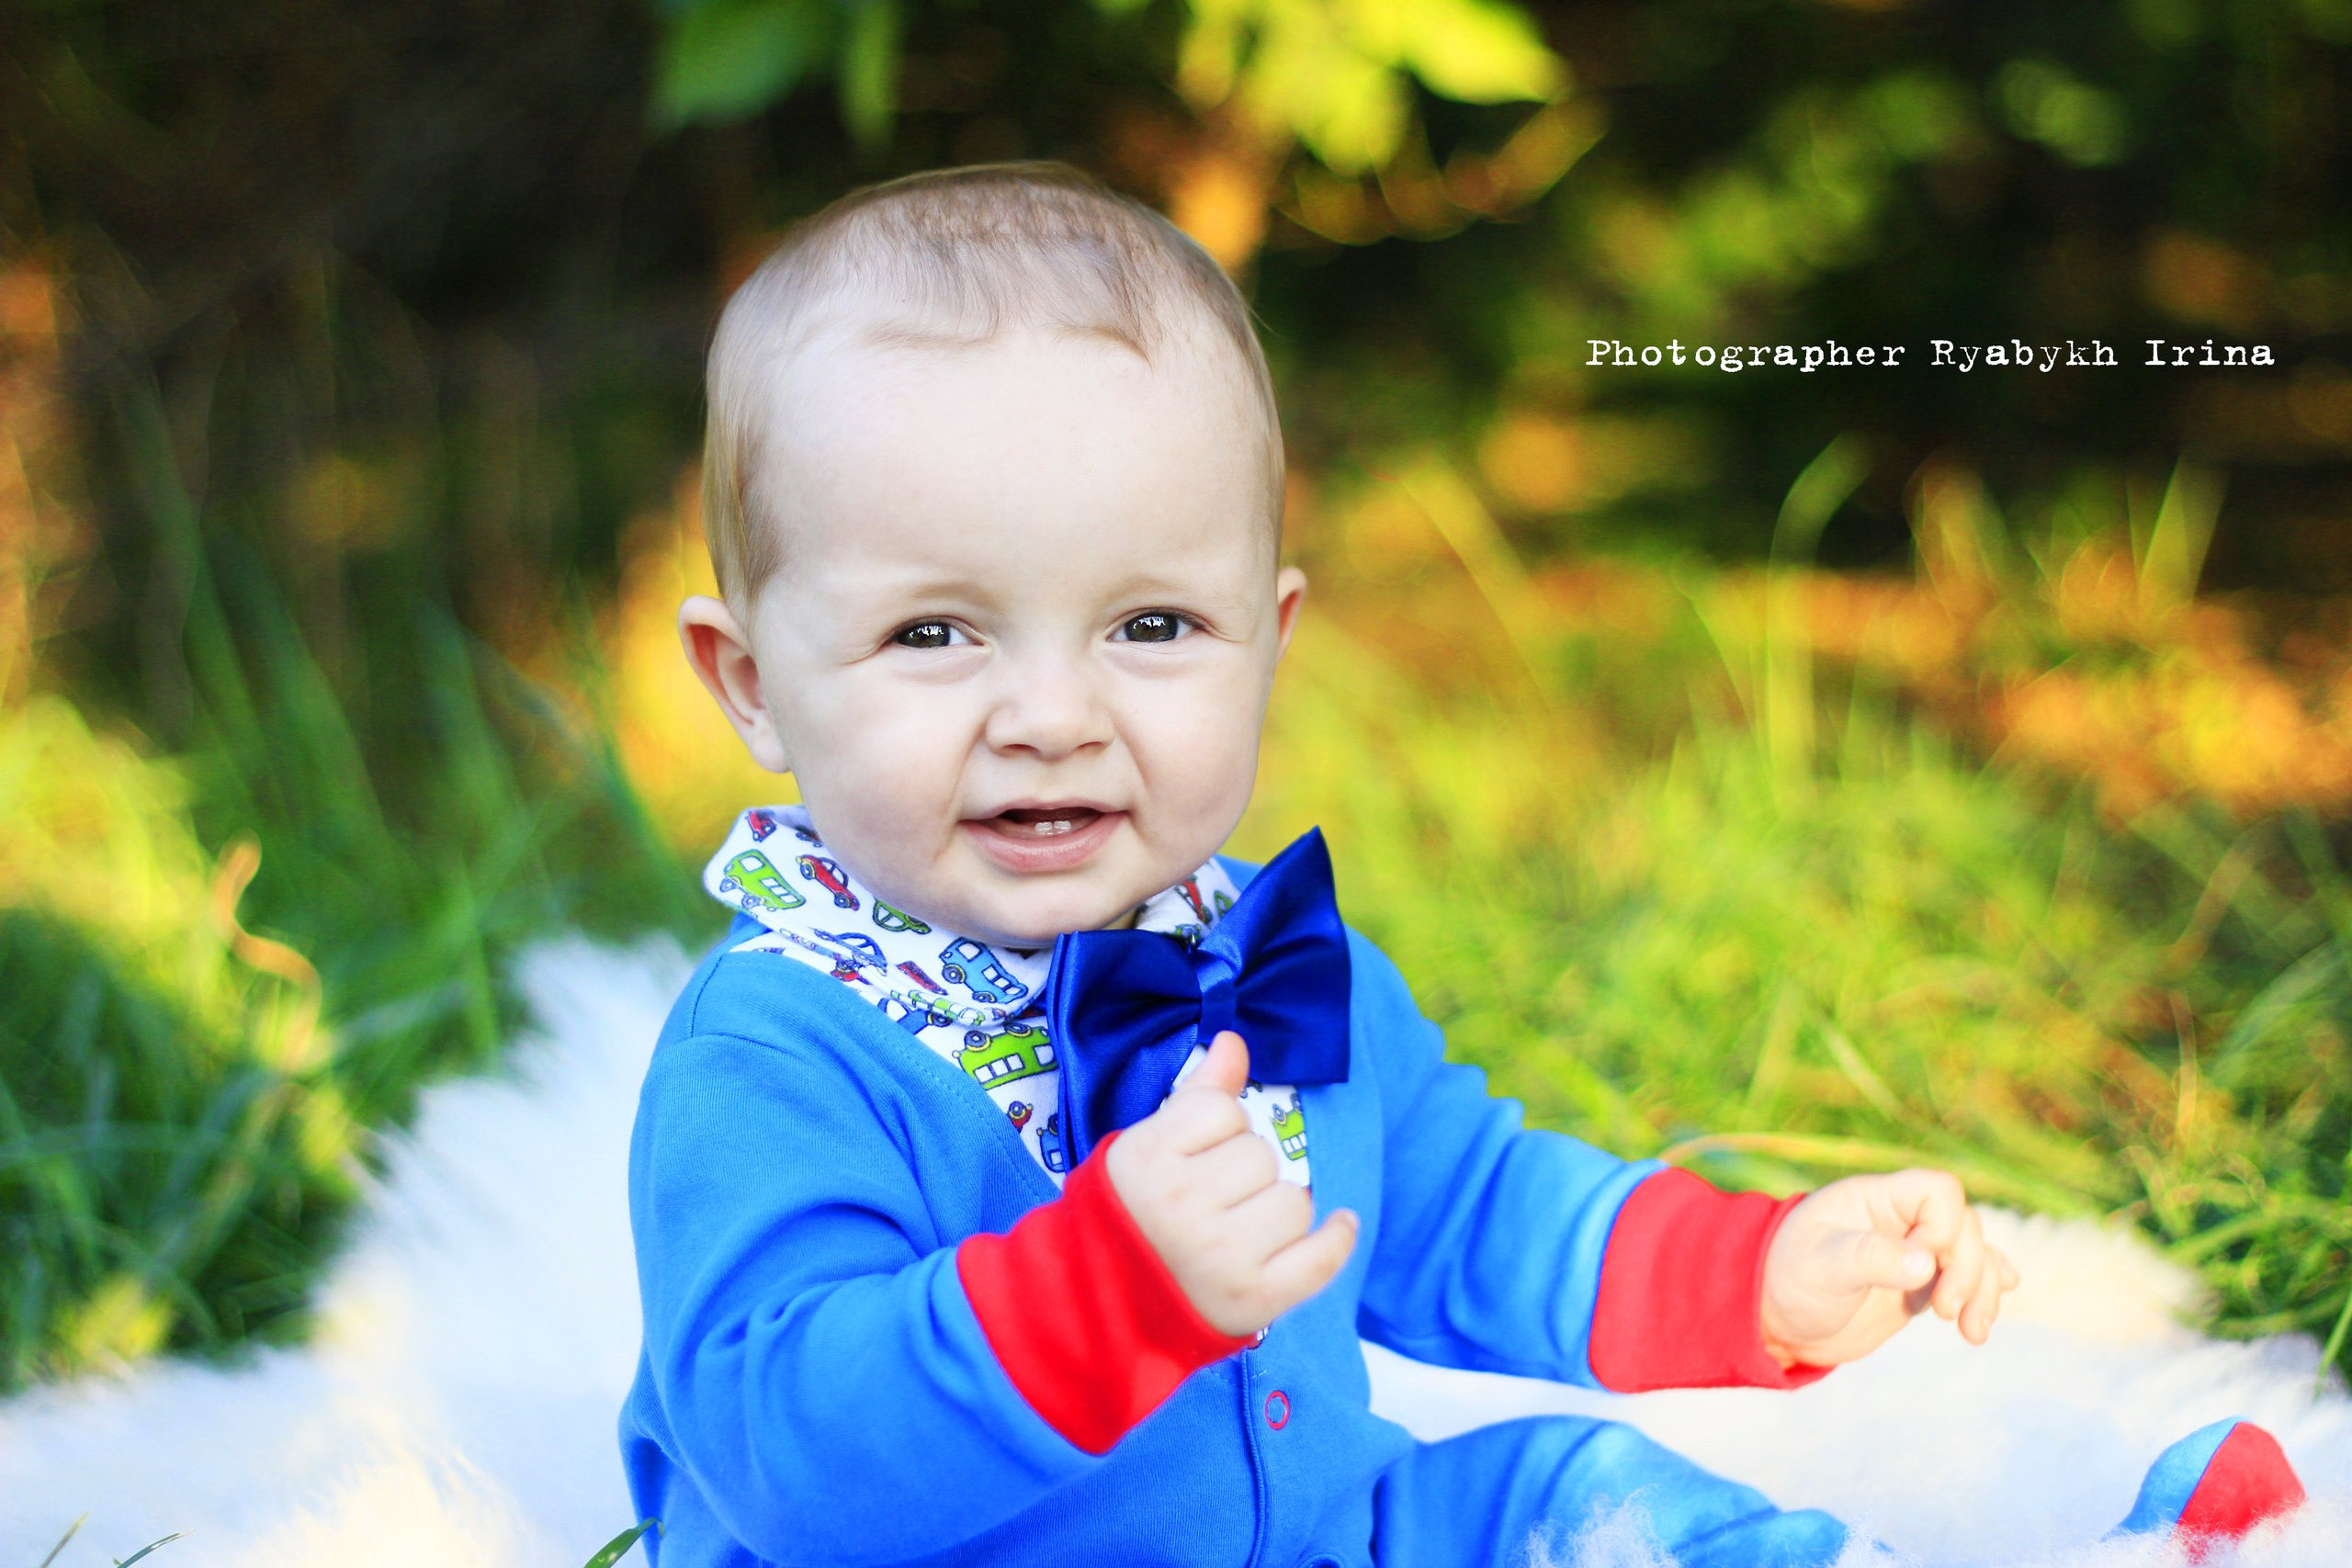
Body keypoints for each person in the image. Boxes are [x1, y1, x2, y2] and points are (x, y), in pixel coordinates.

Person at [617, 163, 2305, 1567]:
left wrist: (1759, 1273)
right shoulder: (776, 1054)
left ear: (1268, 645)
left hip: (1319, 1537)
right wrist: (1106, 1289)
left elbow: (1469, 1208)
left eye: (1150, 624)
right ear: (753, 683)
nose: (1052, 716)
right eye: (932, 632)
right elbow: (788, 1451)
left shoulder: (1255, 966)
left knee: (1576, 1500)